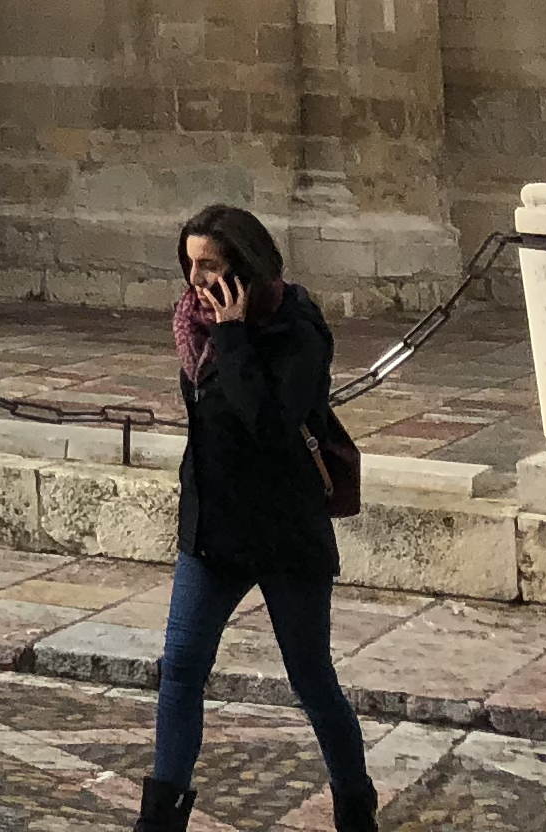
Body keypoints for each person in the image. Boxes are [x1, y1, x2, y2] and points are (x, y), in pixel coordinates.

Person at [138, 202, 378, 831]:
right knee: (181, 672)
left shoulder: (297, 329)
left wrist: (236, 335)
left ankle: (356, 810)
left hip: (283, 532)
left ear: (244, 266)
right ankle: (158, 823)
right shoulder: (194, 325)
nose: (195, 282)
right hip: (212, 532)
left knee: (312, 679)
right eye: (189, 265)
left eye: (209, 265)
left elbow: (269, 424)